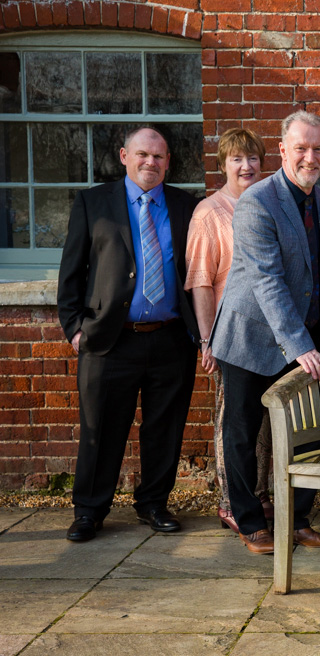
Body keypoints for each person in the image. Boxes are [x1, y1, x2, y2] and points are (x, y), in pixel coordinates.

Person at [209, 110, 320, 555]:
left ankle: (298, 520)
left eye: (317, 148)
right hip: (249, 336)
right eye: (301, 148)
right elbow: (266, 280)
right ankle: (250, 523)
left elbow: (319, 273)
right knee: (243, 434)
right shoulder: (257, 201)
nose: (310, 156)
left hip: (302, 335)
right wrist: (302, 345)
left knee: (309, 430)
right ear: (283, 150)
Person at [58, 126, 199, 541]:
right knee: (101, 428)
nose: (150, 163)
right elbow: (72, 272)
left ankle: (154, 503)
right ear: (124, 155)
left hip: (171, 338)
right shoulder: (93, 203)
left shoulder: (186, 206)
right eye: (142, 154)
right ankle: (89, 510)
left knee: (165, 427)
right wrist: (75, 328)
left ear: (168, 161)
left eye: (158, 157)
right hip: (109, 338)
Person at [185, 127, 272, 533]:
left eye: (253, 158)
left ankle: (260, 496)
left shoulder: (268, 204)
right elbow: (201, 281)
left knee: (266, 423)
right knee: (233, 424)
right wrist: (208, 340)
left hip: (271, 335)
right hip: (231, 335)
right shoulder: (210, 212)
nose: (246, 165)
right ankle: (231, 503)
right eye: (237, 159)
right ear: (223, 165)